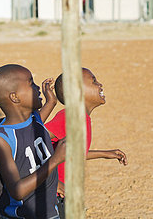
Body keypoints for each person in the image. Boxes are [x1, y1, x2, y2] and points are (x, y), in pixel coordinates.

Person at [44, 69, 128, 217]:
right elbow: (33, 141)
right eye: (94, 81)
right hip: (52, 195)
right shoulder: (69, 117)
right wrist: (53, 182)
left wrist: (104, 153)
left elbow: (71, 154)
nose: (100, 84)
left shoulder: (82, 118)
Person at [0, 64, 63, 219]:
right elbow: (17, 191)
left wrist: (51, 101)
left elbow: (38, 163)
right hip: (22, 215)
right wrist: (55, 160)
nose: (37, 88)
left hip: (48, 211)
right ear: (14, 97)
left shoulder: (34, 119)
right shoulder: (1, 138)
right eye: (31, 83)